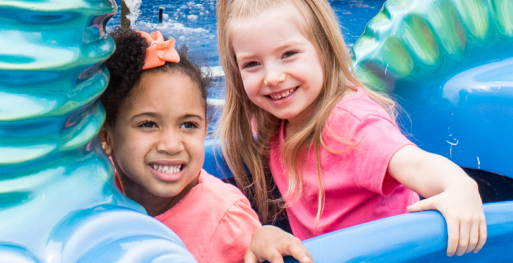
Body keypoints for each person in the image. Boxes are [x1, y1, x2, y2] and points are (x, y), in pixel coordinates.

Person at [215, 0, 489, 261]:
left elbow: (416, 164)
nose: (272, 77)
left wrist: (459, 186)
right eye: (252, 64)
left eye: (288, 55)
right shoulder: (275, 120)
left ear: (323, 49)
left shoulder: (350, 125)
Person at [99, 28, 295, 263]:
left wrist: (265, 236)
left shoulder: (225, 220)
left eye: (188, 125)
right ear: (106, 137)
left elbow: (261, 246)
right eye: (149, 124)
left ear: (205, 129)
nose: (171, 145)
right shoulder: (95, 186)